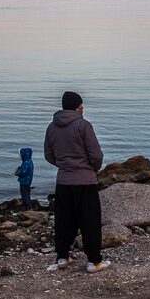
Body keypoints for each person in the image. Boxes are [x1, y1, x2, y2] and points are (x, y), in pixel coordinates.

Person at [44, 91, 110, 274]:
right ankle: (93, 261)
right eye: (82, 105)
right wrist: (91, 168)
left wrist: (64, 165)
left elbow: (49, 155)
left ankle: (62, 257)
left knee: (64, 220)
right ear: (77, 106)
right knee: (90, 221)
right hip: (85, 181)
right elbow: (96, 155)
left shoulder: (51, 127)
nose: (83, 108)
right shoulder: (83, 125)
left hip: (64, 181)